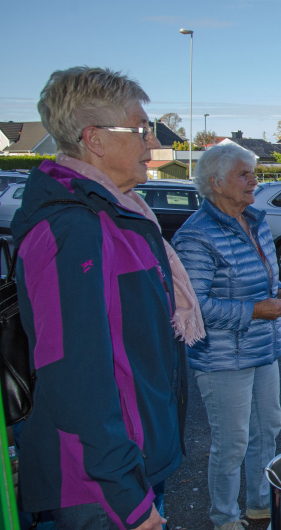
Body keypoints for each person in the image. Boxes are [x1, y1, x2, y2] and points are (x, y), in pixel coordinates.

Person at [11, 67, 196, 529]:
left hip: (133, 467)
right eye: (140, 129)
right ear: (94, 139)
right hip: (101, 487)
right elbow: (75, 378)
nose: (152, 142)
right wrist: (126, 497)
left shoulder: (122, 216)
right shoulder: (72, 229)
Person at [172, 143, 281, 530]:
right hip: (223, 359)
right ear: (215, 182)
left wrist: (279, 294)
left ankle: (260, 504)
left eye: (253, 173)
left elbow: (263, 280)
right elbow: (193, 307)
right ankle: (224, 518)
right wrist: (255, 310)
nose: (253, 181)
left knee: (267, 430)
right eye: (244, 174)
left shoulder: (256, 221)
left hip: (263, 349)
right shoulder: (196, 236)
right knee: (231, 443)